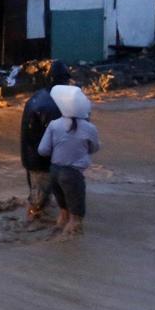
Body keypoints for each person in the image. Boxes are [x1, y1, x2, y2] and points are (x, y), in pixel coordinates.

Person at [37, 85, 100, 237]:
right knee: (76, 217)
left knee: (63, 212)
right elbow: (94, 148)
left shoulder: (54, 125)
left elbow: (43, 150)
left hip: (54, 171)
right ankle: (69, 249)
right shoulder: (90, 128)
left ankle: (53, 237)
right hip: (72, 174)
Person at [20, 61, 72, 221]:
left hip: (31, 157)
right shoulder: (56, 104)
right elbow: (56, 137)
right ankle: (28, 228)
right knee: (38, 202)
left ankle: (36, 220)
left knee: (40, 195)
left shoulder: (38, 96)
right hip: (43, 161)